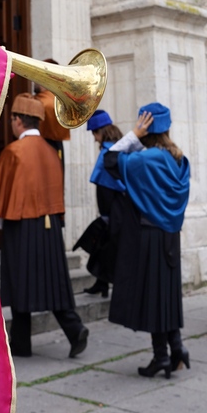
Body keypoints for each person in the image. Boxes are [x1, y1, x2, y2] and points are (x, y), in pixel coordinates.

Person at [0, 93, 88, 358]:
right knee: (52, 280)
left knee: (19, 280)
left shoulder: (13, 152)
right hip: (50, 226)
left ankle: (21, 344)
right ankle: (74, 329)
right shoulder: (53, 152)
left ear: (18, 121)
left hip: (21, 226)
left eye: (12, 119)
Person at [103, 103, 191, 378]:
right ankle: (176, 349)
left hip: (148, 235)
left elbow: (109, 160)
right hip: (170, 235)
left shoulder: (145, 160)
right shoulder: (178, 159)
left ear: (147, 128)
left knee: (153, 297)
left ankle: (161, 357)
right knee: (165, 295)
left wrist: (132, 134)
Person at [73, 109, 124, 296]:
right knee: (105, 245)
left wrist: (105, 215)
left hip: (112, 210)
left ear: (102, 131)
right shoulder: (121, 147)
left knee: (109, 246)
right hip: (120, 208)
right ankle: (101, 284)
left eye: (95, 133)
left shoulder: (107, 153)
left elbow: (106, 187)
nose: (94, 138)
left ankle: (112, 286)